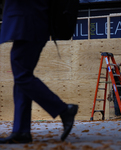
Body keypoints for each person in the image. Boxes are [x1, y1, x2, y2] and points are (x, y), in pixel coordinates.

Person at [0, 0, 78, 143]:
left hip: (27, 23)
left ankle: (64, 109)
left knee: (22, 76)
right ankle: (21, 131)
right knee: (21, 78)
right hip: (32, 22)